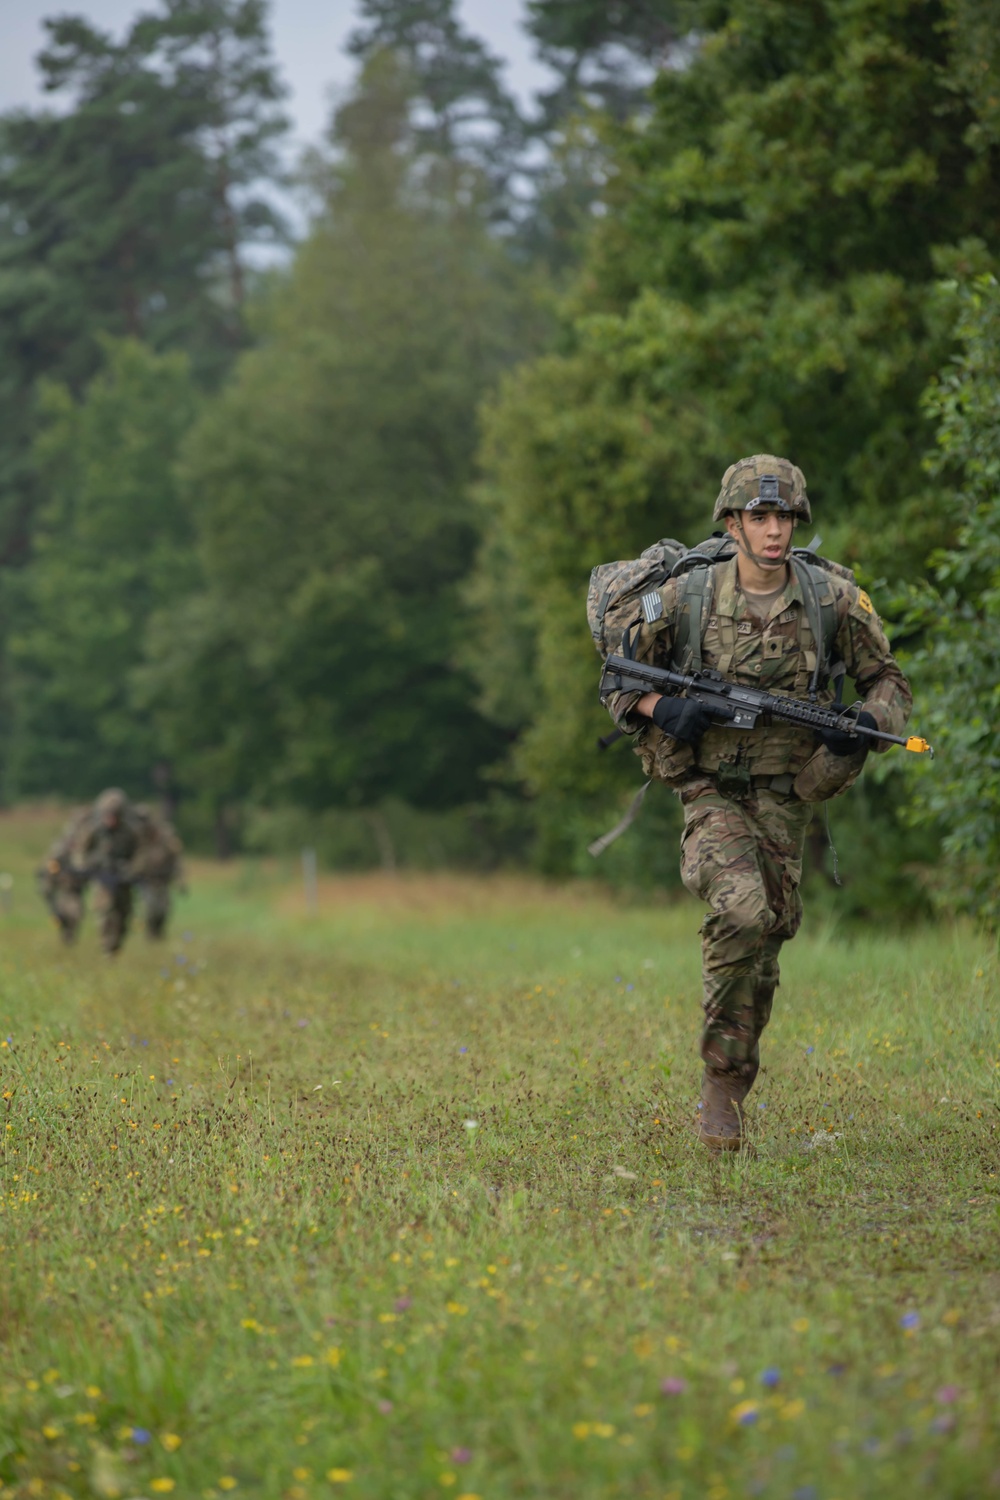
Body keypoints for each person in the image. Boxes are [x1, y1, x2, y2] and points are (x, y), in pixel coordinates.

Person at [602, 455, 913, 1151]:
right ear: (734, 523)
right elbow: (617, 681)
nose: (774, 531)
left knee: (767, 938)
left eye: (784, 519)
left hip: (787, 792)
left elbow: (889, 682)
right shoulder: (685, 598)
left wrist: (870, 723)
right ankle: (719, 1084)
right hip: (708, 786)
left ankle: (735, 1082)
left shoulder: (833, 598)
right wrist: (663, 707)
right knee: (740, 907)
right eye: (759, 517)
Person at [70, 787, 143, 954]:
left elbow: (140, 854)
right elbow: (80, 851)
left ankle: (116, 944)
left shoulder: (130, 832)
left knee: (123, 913)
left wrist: (131, 870)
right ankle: (106, 946)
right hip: (102, 877)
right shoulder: (94, 831)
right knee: (105, 912)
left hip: (123, 879)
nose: (110, 819)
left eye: (114, 815)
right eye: (107, 814)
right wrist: (86, 866)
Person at [36, 807, 91, 943]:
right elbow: (52, 864)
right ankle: (67, 937)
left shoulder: (89, 841)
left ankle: (69, 938)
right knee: (64, 914)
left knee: (75, 915)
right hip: (63, 885)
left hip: (75, 887)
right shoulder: (64, 845)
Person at [132, 805, 184, 939]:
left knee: (163, 911)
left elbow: (176, 857)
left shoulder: (165, 835)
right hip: (146, 880)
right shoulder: (136, 837)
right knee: (150, 910)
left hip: (163, 880)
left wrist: (180, 880)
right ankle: (150, 935)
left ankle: (158, 934)